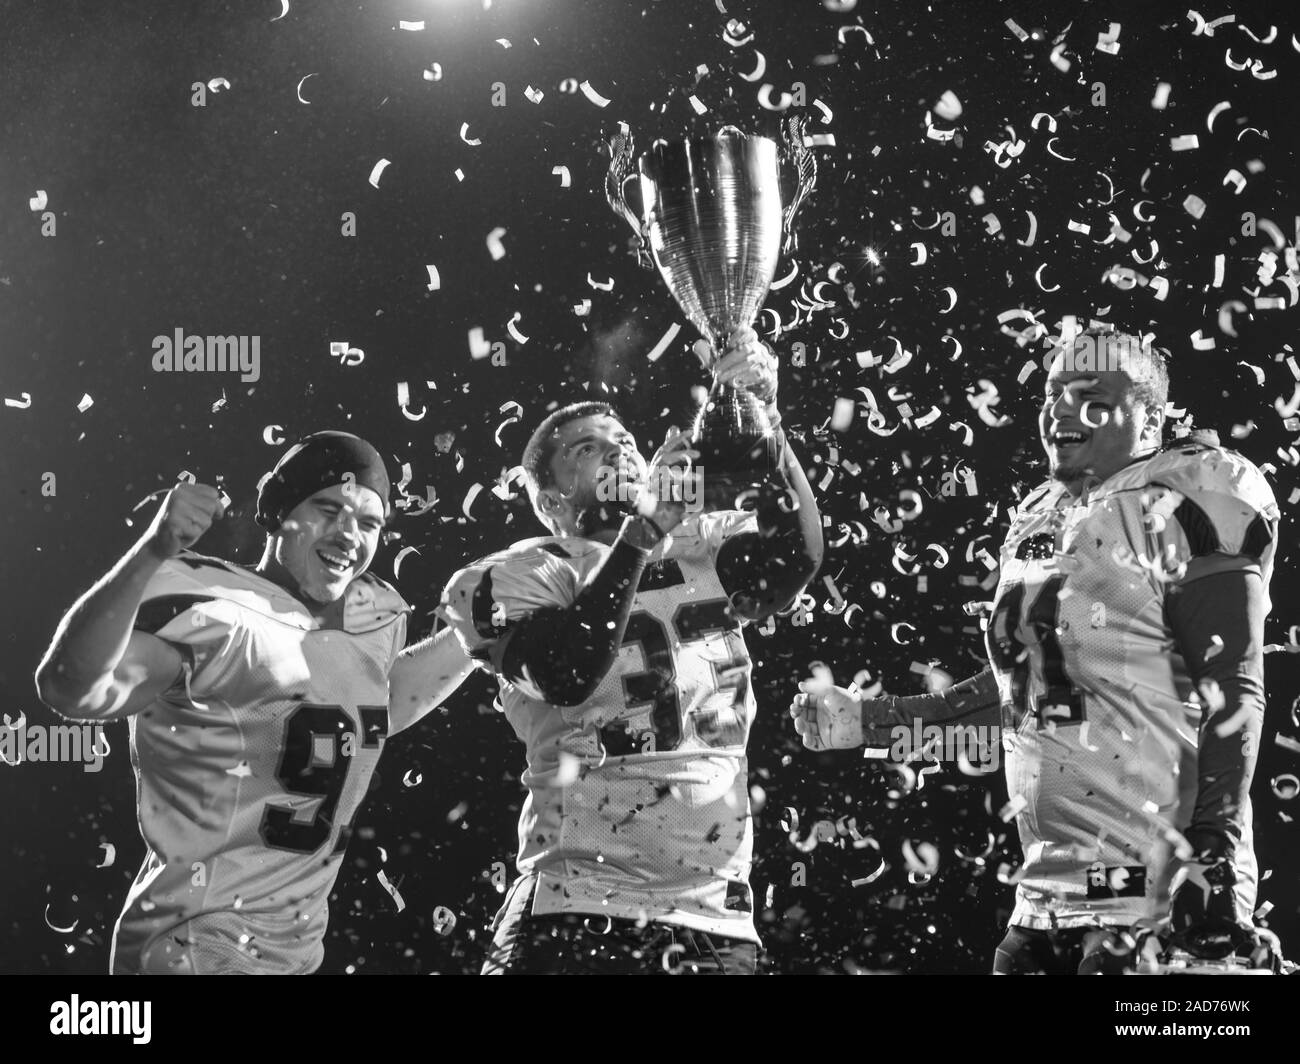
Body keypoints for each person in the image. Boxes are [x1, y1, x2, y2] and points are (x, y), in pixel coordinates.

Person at [790, 327, 1281, 974]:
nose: (1061, 409)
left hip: (1152, 889)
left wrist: (1213, 853)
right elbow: (1022, 699)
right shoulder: (1040, 519)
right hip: (1044, 895)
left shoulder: (1188, 495)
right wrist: (870, 723)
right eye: (1053, 392)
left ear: (1153, 415)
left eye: (1092, 393)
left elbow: (1235, 688)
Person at [440, 328, 823, 974]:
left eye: (623, 441)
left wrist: (768, 428)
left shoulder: (701, 543)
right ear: (551, 501)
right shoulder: (516, 575)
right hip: (577, 906)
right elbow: (566, 670)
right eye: (586, 450)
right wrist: (642, 531)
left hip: (713, 915)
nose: (616, 453)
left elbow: (799, 556)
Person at [35, 431, 473, 974]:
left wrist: (473, 634)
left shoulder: (374, 614)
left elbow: (375, 708)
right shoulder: (220, 612)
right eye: (328, 509)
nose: (348, 536)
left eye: (369, 522)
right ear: (278, 511)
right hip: (196, 942)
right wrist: (151, 553)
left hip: (296, 952)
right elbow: (69, 686)